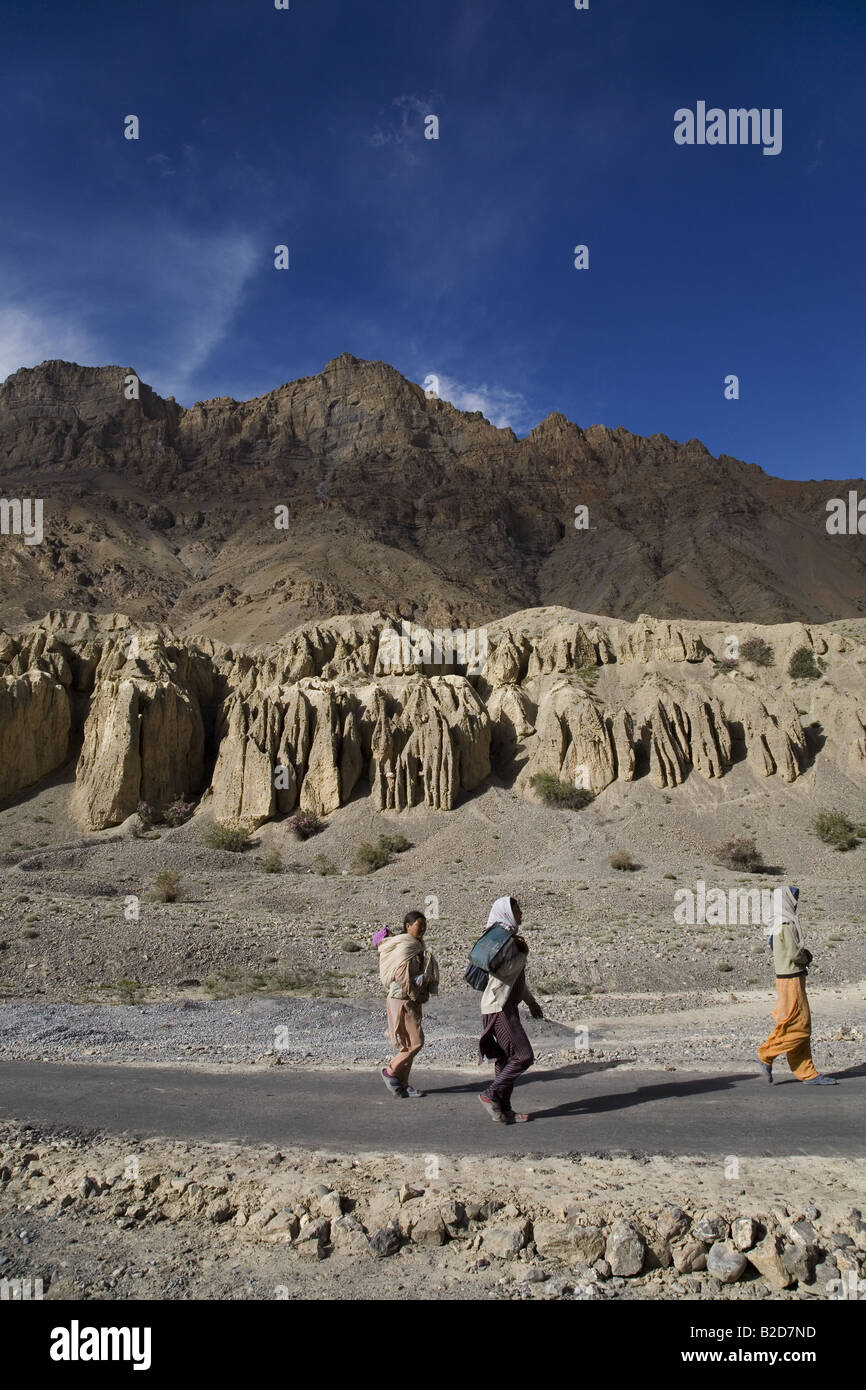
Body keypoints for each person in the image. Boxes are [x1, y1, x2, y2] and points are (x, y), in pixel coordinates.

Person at [758, 885, 837, 1085]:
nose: (796, 901)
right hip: (792, 978)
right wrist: (806, 956)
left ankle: (807, 1073)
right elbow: (794, 954)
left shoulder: (776, 923)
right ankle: (766, 1053)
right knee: (800, 1026)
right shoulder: (786, 923)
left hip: (784, 978)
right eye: (794, 897)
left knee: (793, 1023)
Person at [477, 895, 543, 1123]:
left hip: (502, 1005)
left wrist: (531, 1002)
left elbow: (516, 980)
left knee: (506, 1059)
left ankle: (503, 1109)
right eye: (517, 910)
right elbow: (503, 972)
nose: (521, 914)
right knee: (523, 1056)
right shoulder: (503, 940)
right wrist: (523, 955)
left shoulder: (508, 939)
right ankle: (490, 1094)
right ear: (507, 913)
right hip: (499, 1007)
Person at [377, 910, 438, 1098]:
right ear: (408, 926)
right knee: (417, 1042)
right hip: (403, 999)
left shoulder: (416, 947)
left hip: (407, 999)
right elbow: (402, 977)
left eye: (425, 926)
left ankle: (403, 1085)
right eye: (420, 925)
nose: (423, 929)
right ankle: (390, 1071)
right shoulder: (405, 948)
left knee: (407, 1044)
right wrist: (415, 994)